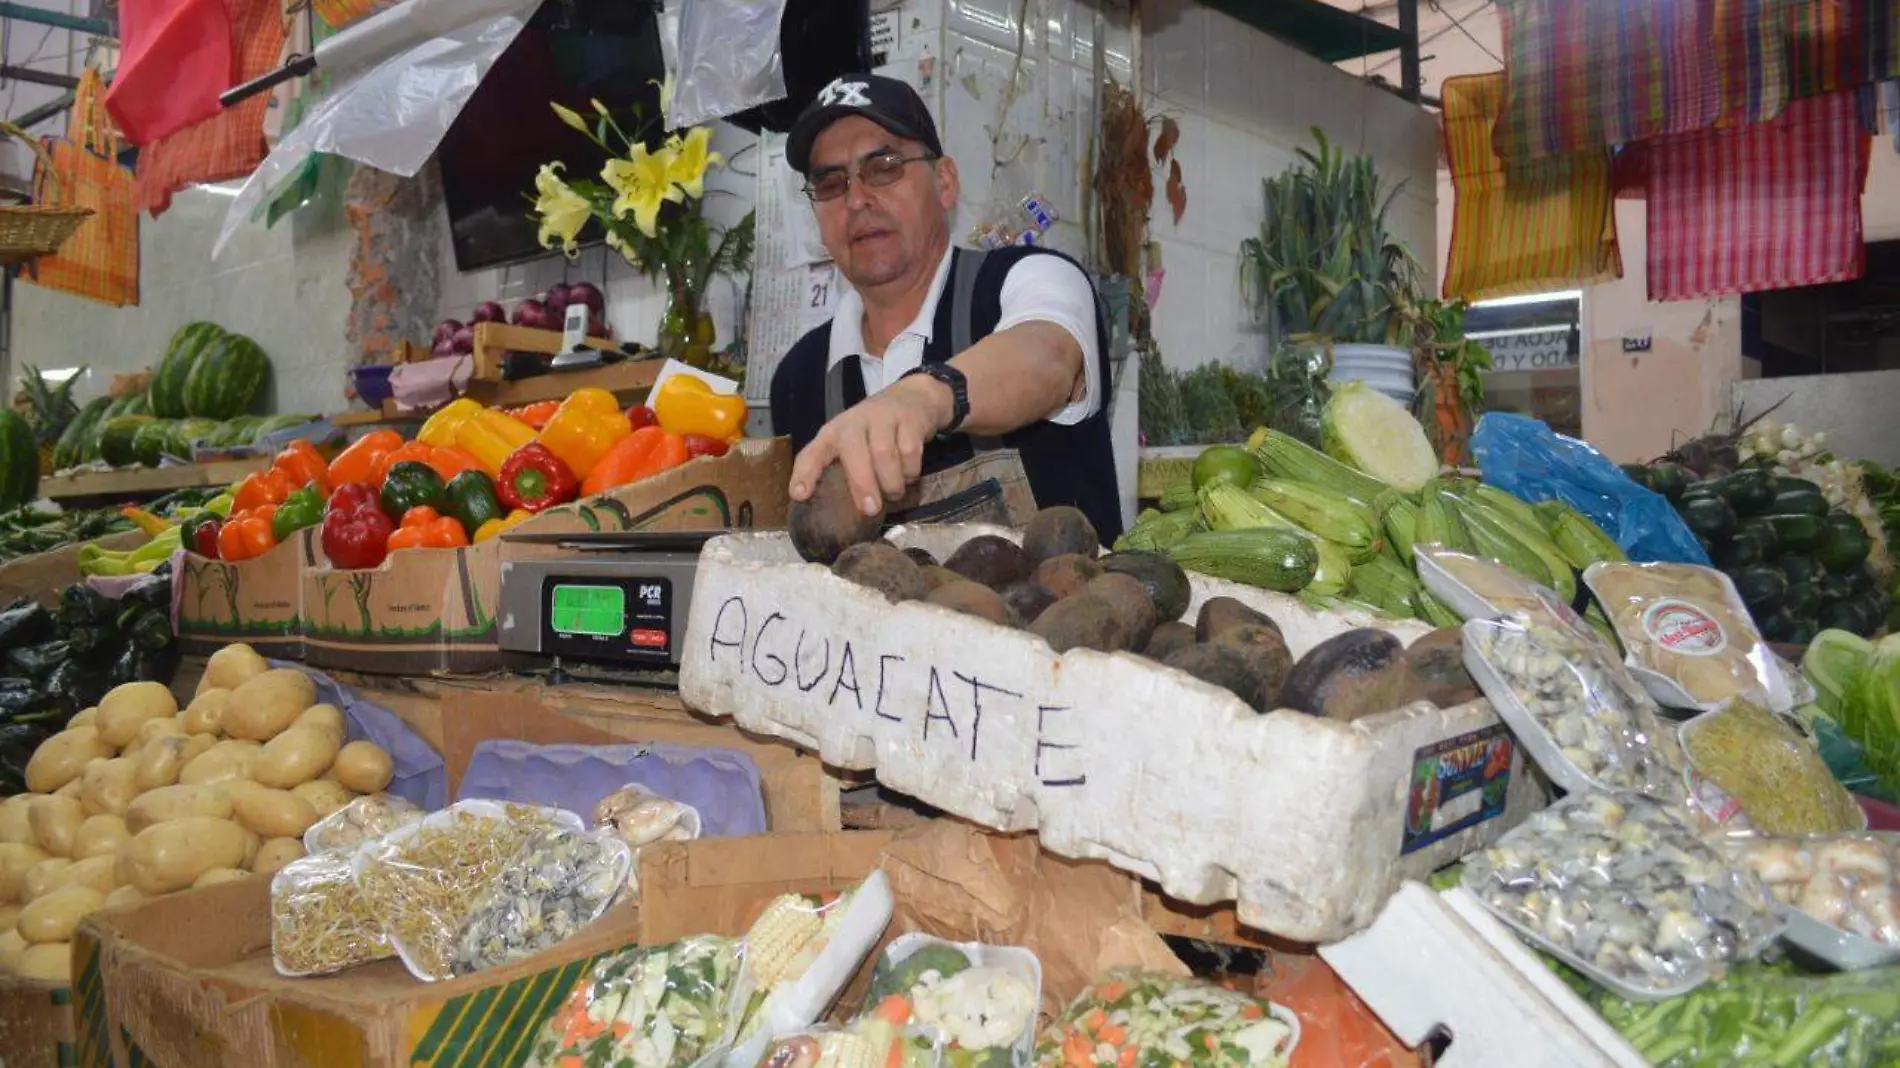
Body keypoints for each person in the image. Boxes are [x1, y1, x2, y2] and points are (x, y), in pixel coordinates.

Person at [769, 74, 1123, 542]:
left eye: (885, 166)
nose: (856, 200)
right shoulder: (800, 378)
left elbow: (1048, 356)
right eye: (831, 183)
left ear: (945, 182)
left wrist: (921, 399)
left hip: (1072, 613)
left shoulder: (1027, 280)